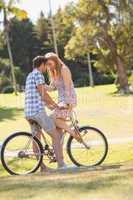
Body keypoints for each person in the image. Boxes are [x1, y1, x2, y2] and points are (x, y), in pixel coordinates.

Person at [24, 56, 66, 171]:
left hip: (29, 113)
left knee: (36, 140)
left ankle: (42, 167)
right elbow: (43, 94)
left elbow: (39, 95)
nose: (46, 68)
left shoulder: (30, 75)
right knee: (56, 136)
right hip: (37, 112)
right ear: (42, 64)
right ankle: (61, 164)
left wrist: (50, 105)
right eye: (46, 65)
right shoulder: (38, 74)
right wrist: (56, 105)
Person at [44, 53, 82, 142]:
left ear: (55, 61)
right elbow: (51, 88)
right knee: (56, 122)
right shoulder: (54, 72)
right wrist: (41, 85)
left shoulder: (64, 69)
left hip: (68, 99)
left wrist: (67, 103)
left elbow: (67, 87)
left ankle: (74, 134)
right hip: (61, 100)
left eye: (50, 64)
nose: (48, 67)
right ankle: (59, 149)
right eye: (47, 65)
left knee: (52, 117)